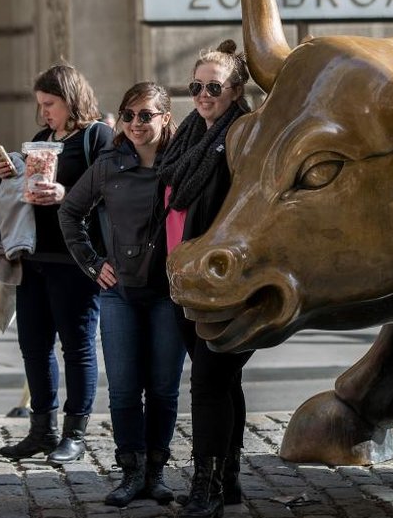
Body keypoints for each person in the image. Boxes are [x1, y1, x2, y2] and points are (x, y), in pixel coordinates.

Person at [60, 82, 185, 506]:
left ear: (165, 117)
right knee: (125, 390)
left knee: (165, 389)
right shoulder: (108, 163)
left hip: (170, 294)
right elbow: (70, 212)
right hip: (120, 295)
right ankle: (130, 473)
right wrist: (94, 264)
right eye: (128, 115)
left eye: (145, 115)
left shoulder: (184, 163)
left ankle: (156, 473)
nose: (135, 123)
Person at [0, 63, 113, 465]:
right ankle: (41, 429)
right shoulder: (42, 138)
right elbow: (29, 191)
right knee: (33, 346)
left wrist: (66, 193)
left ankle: (74, 434)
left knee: (77, 347)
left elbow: (112, 191)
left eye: (50, 104)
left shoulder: (98, 137)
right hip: (35, 256)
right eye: (40, 105)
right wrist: (10, 176)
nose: (44, 112)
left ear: (72, 99)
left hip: (75, 259)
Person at [157, 40, 255, 518]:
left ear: (236, 90)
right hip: (182, 279)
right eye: (196, 86)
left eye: (213, 87)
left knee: (209, 381)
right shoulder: (191, 134)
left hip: (224, 283)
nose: (202, 95)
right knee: (224, 381)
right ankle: (229, 480)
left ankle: (206, 487)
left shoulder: (244, 137)